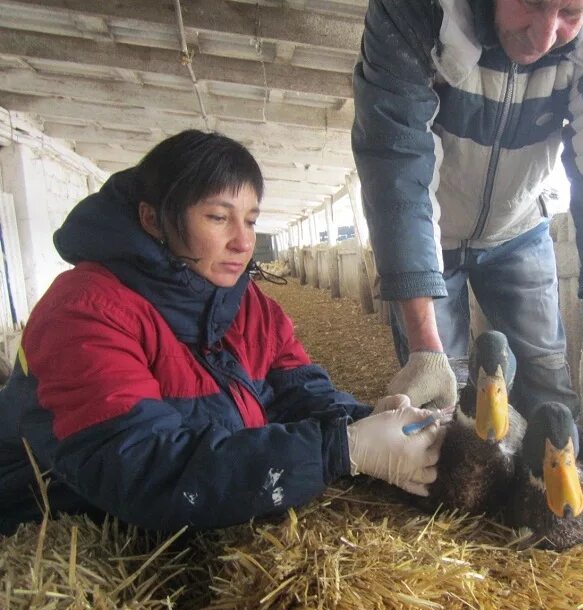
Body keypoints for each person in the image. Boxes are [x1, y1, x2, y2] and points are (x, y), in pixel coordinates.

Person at [0, 130, 445, 536]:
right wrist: (339, 449)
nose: (243, 241)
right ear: (153, 220)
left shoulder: (245, 302)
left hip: (197, 517)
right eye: (218, 217)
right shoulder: (85, 310)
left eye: (250, 221)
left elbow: (295, 388)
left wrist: (363, 421)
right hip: (62, 524)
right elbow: (142, 470)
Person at [352, 0, 583, 421]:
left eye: (570, 13)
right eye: (533, 3)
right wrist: (424, 343)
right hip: (430, 239)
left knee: (546, 376)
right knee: (441, 394)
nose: (545, 36)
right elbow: (395, 161)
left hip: (519, 229)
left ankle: (556, 476)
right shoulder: (418, 11)